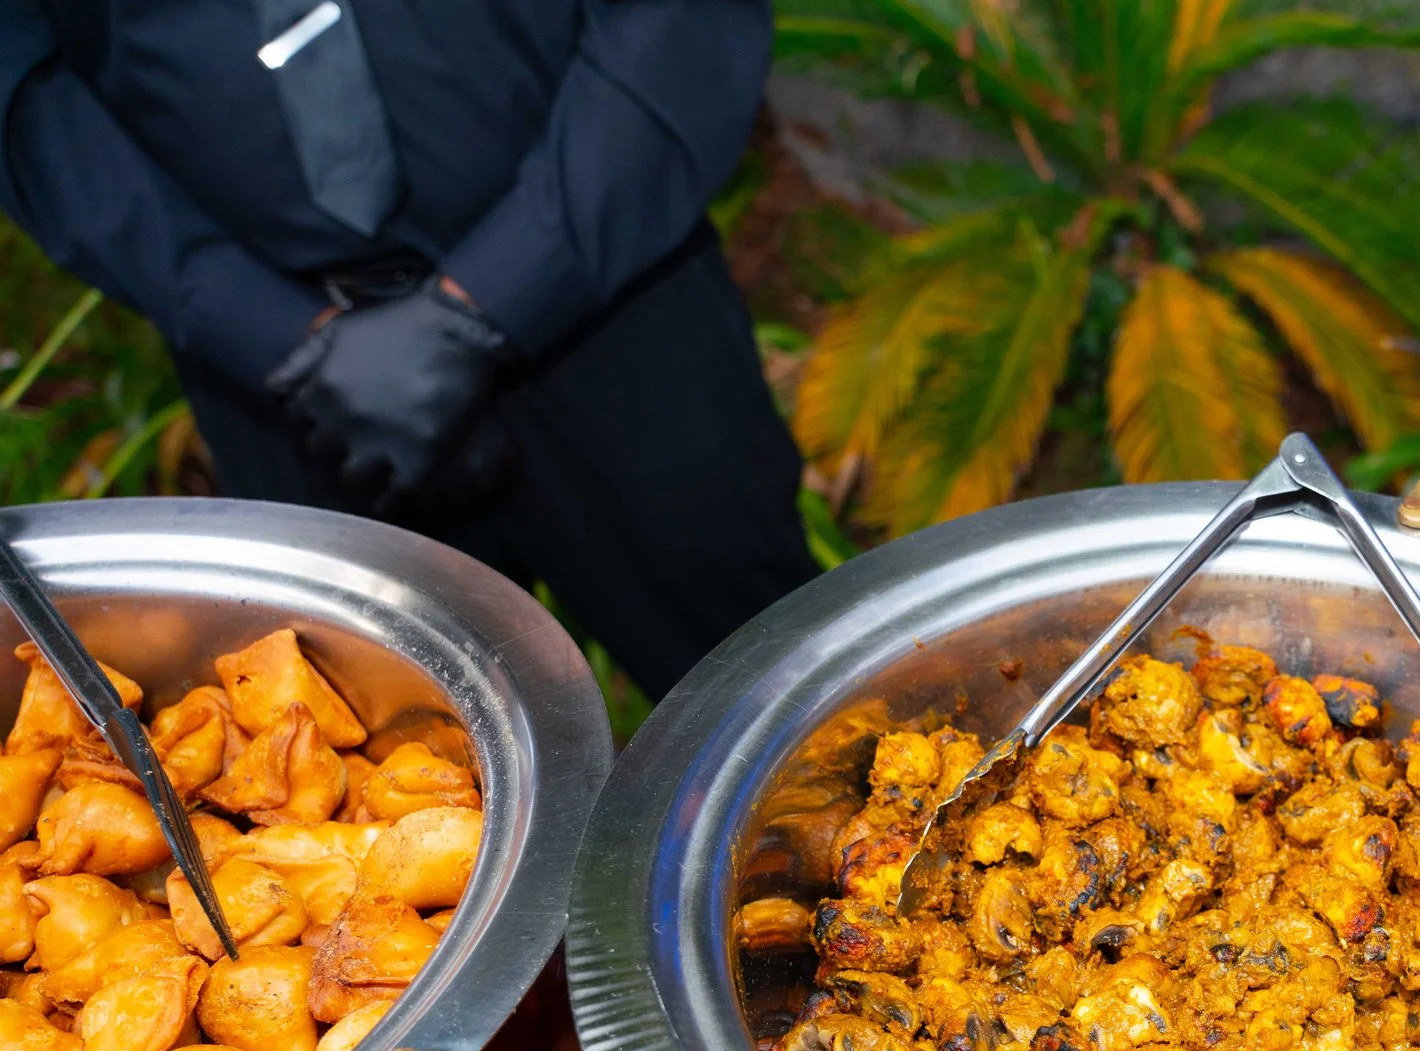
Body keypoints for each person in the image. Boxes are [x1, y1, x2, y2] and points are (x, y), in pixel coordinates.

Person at [0, 0, 819, 699]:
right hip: (288, 386)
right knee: (376, 784)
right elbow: (21, 78)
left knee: (767, 694)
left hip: (611, 297)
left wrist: (498, 291)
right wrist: (254, 323)